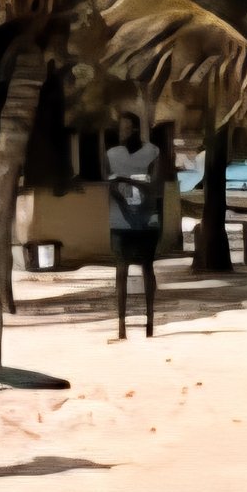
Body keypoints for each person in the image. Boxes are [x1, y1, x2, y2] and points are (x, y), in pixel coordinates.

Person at [103, 113, 164, 341]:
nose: (123, 133)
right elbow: (108, 185)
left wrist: (126, 180)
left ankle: (150, 320)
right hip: (120, 222)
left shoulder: (153, 152)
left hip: (147, 222)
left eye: (126, 129)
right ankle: (121, 323)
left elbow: (156, 186)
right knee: (121, 270)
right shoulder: (112, 154)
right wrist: (122, 189)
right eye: (121, 129)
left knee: (147, 268)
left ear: (136, 130)